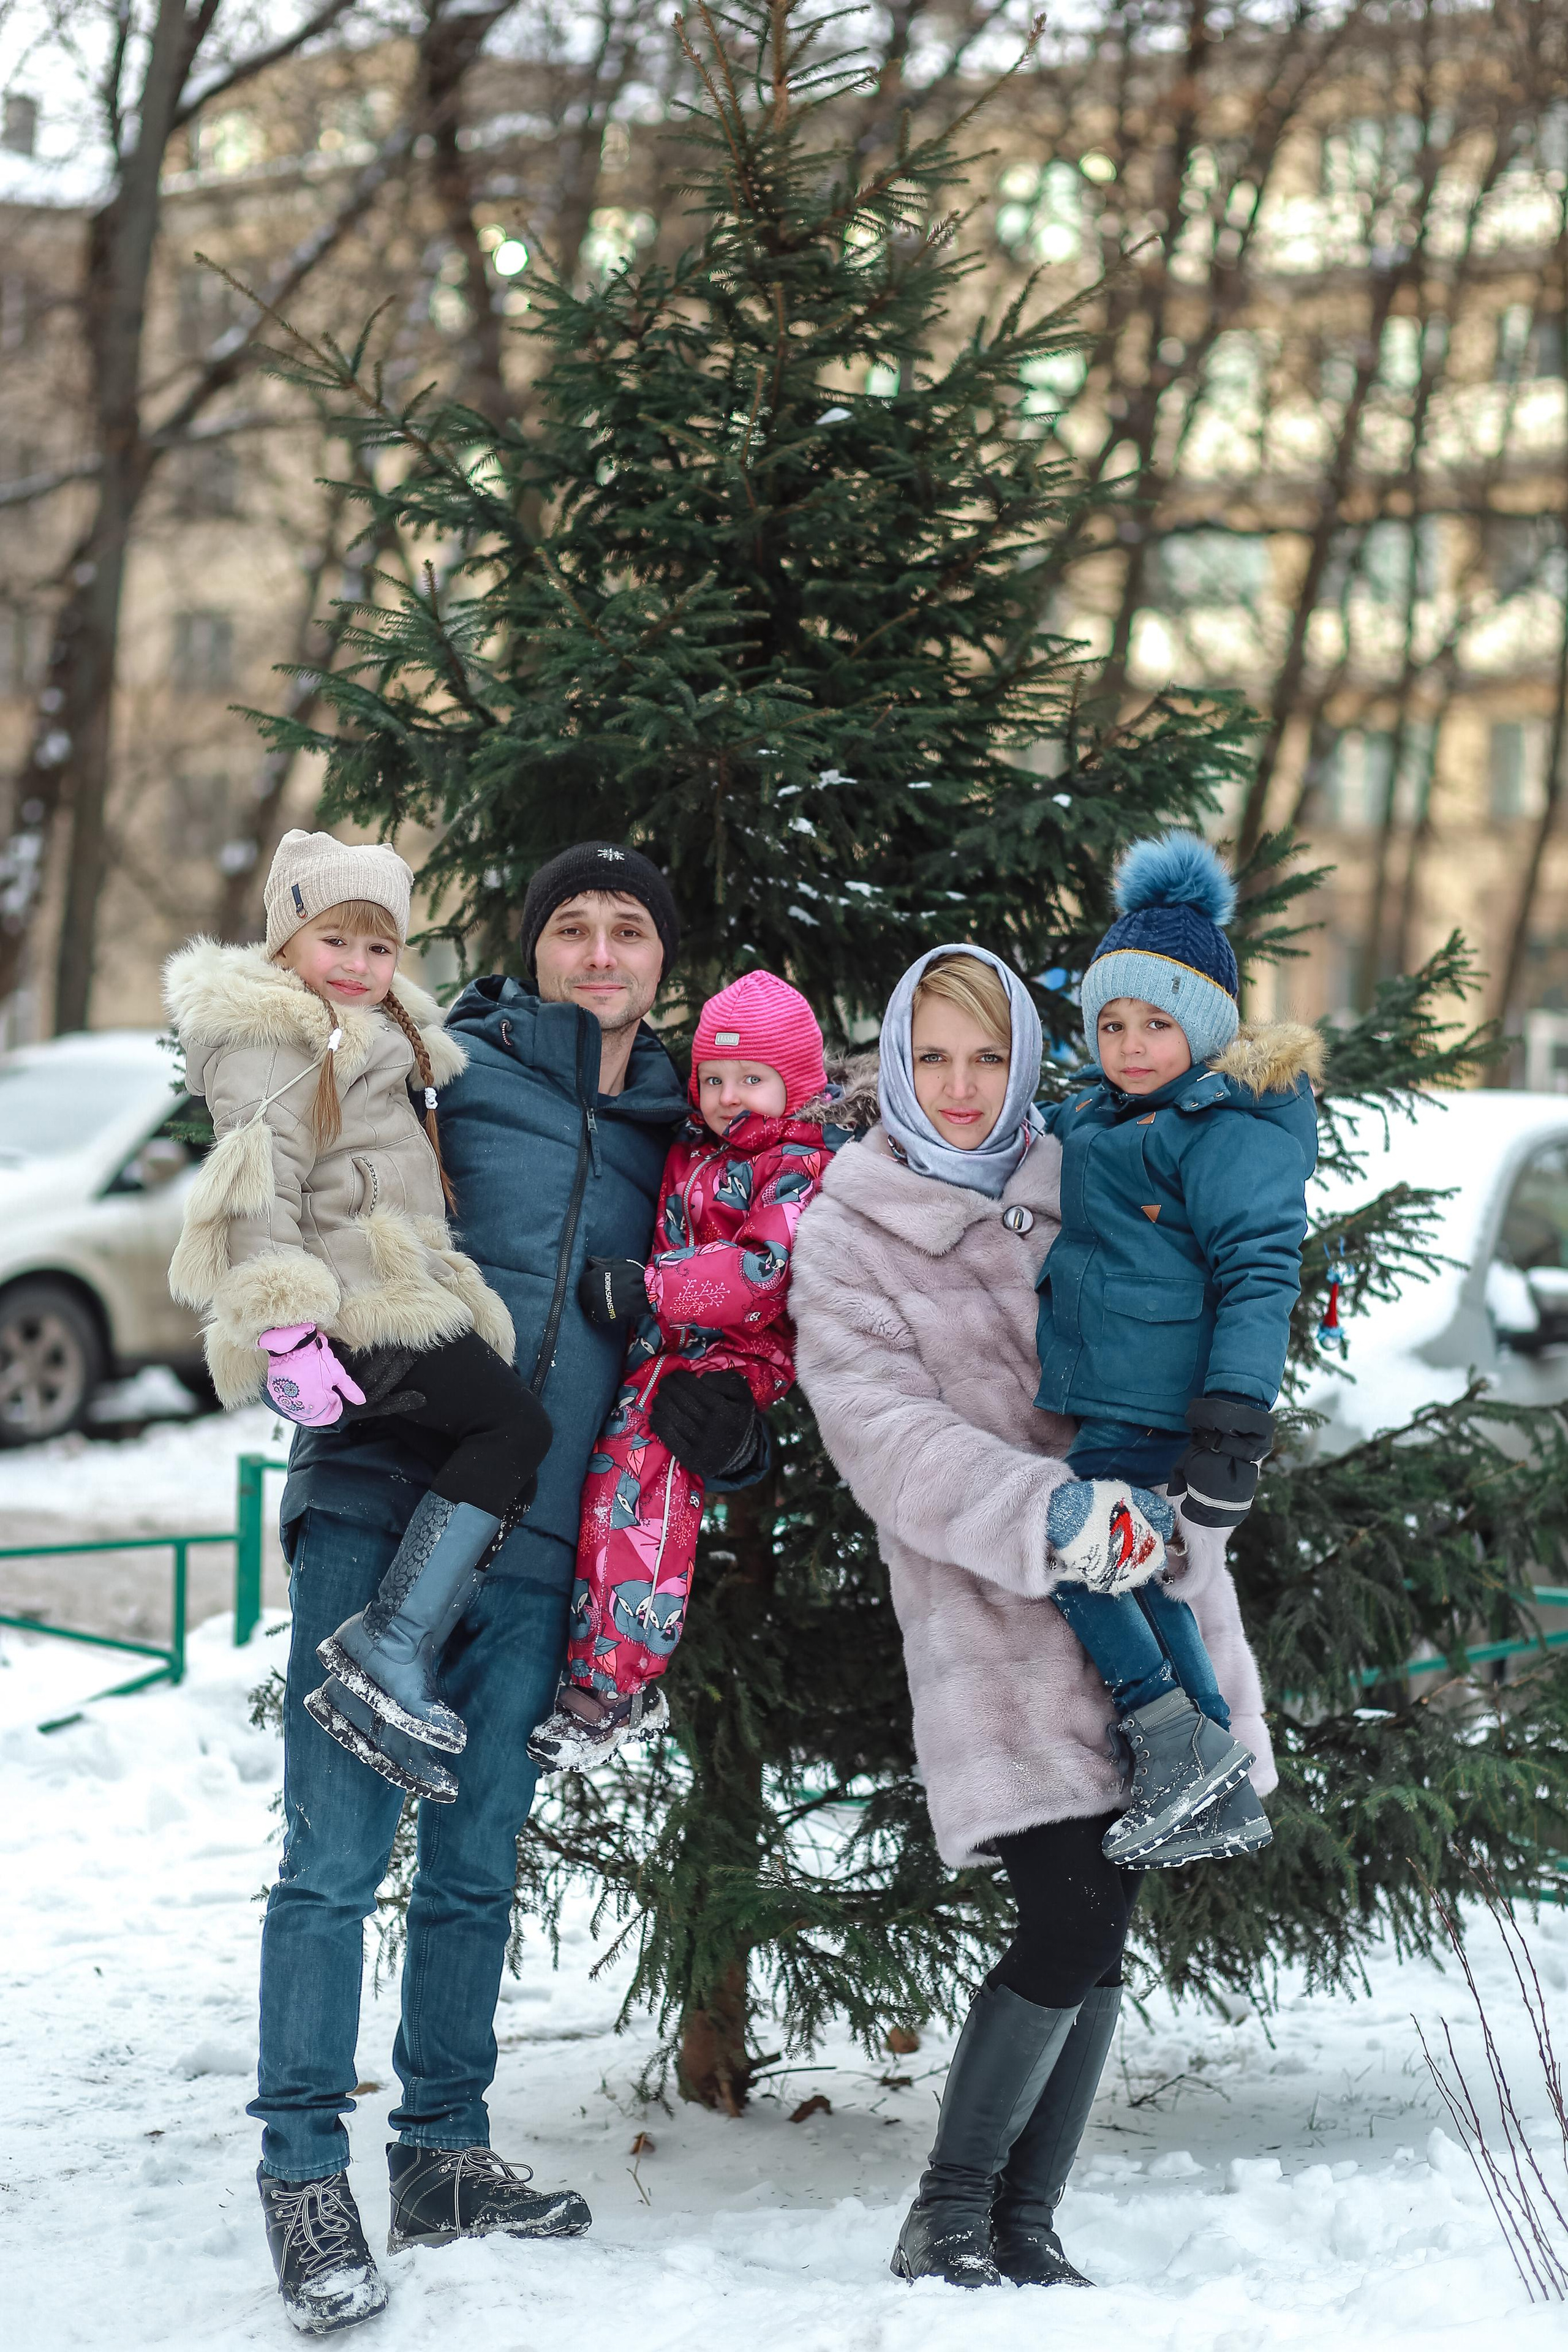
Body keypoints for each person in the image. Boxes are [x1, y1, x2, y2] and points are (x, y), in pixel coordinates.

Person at [227, 842, 769, 2335]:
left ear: (663, 961)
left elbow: (722, 1301)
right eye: (573, 930)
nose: (601, 954)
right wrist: (335, 1356)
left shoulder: (687, 1124)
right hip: (378, 1496)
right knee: (331, 1862)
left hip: (540, 1538)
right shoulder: (445, 1068)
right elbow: (305, 1177)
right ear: (534, 950)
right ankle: (302, 2176)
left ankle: (444, 2157)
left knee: (474, 1868)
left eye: (630, 932)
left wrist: (725, 1428)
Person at [790, 943, 1276, 2291]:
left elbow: (1205, 1286)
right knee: (1066, 1908)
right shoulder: (848, 1232)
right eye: (933, 1057)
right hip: (997, 1616)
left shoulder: (1101, 1170)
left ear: (1024, 1064)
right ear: (893, 1062)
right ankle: (948, 2213)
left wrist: (1223, 1401)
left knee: (1101, 1918)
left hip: (1154, 1595)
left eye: (988, 1056)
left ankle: (1021, 2223)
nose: (960, 1086)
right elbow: (879, 1433)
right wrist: (1046, 1510)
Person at [165, 833, 554, 1809]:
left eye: (379, 949)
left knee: (492, 1433)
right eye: (334, 939)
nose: (357, 965)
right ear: (287, 938)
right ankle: (392, 1642)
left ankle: (394, 1657)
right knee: (512, 1426)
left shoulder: (374, 1036)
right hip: (355, 1307)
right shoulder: (276, 1040)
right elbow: (253, 1188)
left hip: (382, 1292)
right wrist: (287, 1333)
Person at [1035, 832, 1321, 1868]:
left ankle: (1170, 1732)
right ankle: (1216, 1778)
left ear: (1201, 1031)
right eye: (1111, 1023)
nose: (1131, 1043)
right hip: (1113, 1397)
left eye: (1157, 1023)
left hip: (1161, 1411)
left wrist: (1234, 1428)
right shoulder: (1100, 1117)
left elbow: (1259, 1276)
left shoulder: (1229, 1129)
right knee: (1142, 1578)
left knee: (1074, 1552)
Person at [527, 969, 837, 1772]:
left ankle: (614, 1687)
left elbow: (765, 1270)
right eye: (716, 1079)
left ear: (794, 1085)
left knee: (644, 1484)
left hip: (733, 1353)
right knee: (605, 1480)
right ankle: (589, 1665)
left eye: (754, 1079)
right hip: (667, 1340)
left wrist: (651, 1289)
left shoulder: (798, 1165)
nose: (732, 1095)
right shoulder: (694, 1147)